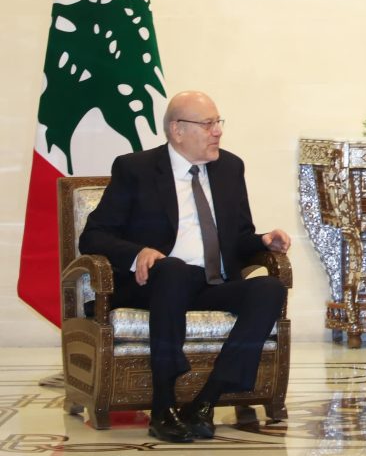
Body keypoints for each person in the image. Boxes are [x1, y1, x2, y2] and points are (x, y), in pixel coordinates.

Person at [79, 91, 292, 443]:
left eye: (218, 122)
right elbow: (93, 236)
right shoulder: (136, 169)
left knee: (270, 288)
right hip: (156, 284)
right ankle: (163, 405)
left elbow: (238, 237)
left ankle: (206, 401)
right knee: (174, 270)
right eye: (208, 124)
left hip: (211, 284)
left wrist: (263, 240)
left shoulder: (230, 167)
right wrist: (139, 252)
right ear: (177, 130)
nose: (217, 131)